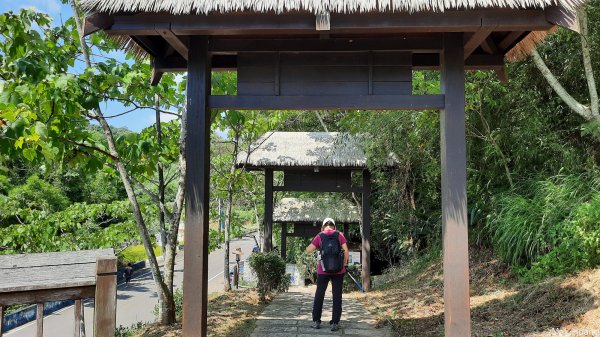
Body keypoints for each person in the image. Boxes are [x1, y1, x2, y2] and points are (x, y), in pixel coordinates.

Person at [306, 217, 349, 332]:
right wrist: (344, 264)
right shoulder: (339, 235)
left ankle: (316, 321)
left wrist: (318, 247)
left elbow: (308, 250)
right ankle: (335, 323)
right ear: (334, 226)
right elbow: (346, 250)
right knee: (337, 296)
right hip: (339, 270)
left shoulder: (320, 235)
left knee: (319, 295)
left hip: (323, 270)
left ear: (323, 226)